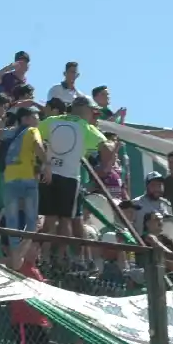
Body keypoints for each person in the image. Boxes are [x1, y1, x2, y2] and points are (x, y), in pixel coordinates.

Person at [37, 97, 107, 258]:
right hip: (69, 178)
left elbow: (34, 136)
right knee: (65, 220)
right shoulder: (85, 127)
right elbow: (106, 147)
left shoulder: (52, 121)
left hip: (49, 173)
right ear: (86, 110)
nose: (93, 116)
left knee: (49, 219)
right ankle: (60, 259)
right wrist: (104, 165)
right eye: (93, 112)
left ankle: (44, 257)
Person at [0, 105, 47, 268]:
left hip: (9, 178)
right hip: (26, 179)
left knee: (13, 225)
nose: (38, 120)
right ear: (26, 118)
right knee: (33, 223)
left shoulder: (8, 133)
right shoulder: (31, 131)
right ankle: (15, 262)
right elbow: (38, 146)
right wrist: (47, 163)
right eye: (36, 116)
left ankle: (13, 262)